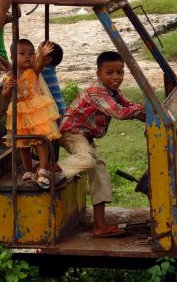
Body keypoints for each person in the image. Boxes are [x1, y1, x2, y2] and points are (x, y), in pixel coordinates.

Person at [54, 51, 145, 237]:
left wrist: (146, 114)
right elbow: (119, 113)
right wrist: (141, 111)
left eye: (119, 72)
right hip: (71, 132)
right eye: (109, 73)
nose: (116, 77)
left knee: (100, 172)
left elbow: (127, 104)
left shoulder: (114, 91)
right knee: (86, 160)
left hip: (85, 136)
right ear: (99, 74)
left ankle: (100, 226)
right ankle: (48, 169)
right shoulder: (97, 91)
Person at [3, 39, 60, 189]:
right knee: (23, 144)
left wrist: (42, 54)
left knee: (40, 138)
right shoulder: (10, 75)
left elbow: (40, 63)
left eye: (31, 53)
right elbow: (5, 96)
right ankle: (28, 170)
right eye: (22, 54)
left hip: (36, 110)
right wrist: (9, 87)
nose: (27, 57)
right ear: (13, 57)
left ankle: (43, 169)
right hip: (19, 113)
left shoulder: (33, 71)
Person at [40, 41, 66, 118]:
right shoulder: (50, 68)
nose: (34, 55)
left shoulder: (44, 69)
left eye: (38, 52)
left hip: (56, 107)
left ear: (47, 59)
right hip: (60, 105)